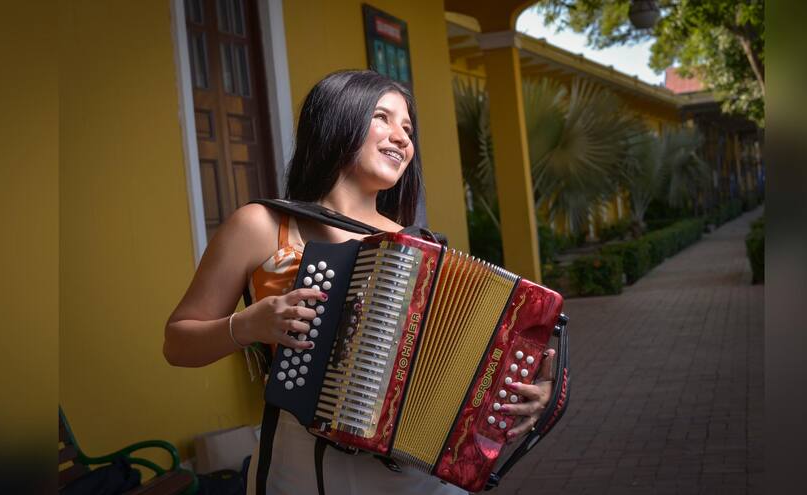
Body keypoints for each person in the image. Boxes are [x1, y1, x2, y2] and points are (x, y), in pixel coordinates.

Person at [164, 70, 556, 494]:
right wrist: (246, 326)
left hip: (418, 475)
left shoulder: (417, 246)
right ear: (335, 122)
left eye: (408, 127)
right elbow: (177, 343)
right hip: (307, 467)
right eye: (382, 118)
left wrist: (520, 393)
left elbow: (460, 368)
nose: (403, 138)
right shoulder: (262, 225)